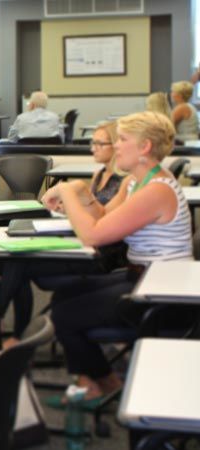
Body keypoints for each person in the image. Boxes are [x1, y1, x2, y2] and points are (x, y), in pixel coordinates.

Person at [42, 111, 192, 407]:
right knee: (63, 295)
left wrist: (65, 189)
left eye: (123, 140)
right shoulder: (136, 183)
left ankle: (102, 380)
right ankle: (100, 380)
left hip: (164, 296)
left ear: (145, 147)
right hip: (143, 277)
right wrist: (82, 192)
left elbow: (93, 236)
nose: (117, 146)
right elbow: (104, 216)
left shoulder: (157, 190)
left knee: (64, 315)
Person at [0, 121, 128, 344]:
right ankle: (9, 330)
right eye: (92, 142)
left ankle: (1, 326)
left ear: (115, 146)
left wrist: (72, 202)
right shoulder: (99, 174)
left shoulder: (125, 183)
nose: (93, 147)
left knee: (17, 264)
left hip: (100, 255)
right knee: (14, 260)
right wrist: (66, 209)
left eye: (99, 143)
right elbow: (89, 213)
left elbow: (104, 220)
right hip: (80, 241)